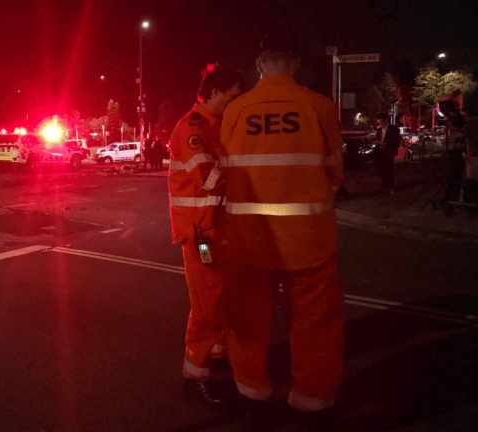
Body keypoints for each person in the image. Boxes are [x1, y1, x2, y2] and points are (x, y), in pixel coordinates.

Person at [219, 34, 345, 430]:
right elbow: (336, 172)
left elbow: (225, 173)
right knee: (314, 322)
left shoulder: (236, 110)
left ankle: (253, 395)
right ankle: (312, 402)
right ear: (295, 64)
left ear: (259, 64)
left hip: (249, 238)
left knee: (250, 319)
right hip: (307, 237)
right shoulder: (320, 107)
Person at [168, 63, 243, 405]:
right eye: (232, 96)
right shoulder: (192, 130)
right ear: (214, 94)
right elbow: (209, 178)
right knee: (206, 305)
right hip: (201, 232)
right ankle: (194, 373)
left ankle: (216, 355)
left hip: (215, 227)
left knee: (221, 300)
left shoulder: (215, 126)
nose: (235, 103)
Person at [375, 113, 401, 194]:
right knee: (381, 169)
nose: (380, 123)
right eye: (379, 121)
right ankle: (384, 186)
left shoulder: (393, 129)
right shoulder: (379, 130)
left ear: (386, 120)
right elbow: (377, 138)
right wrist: (378, 143)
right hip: (380, 151)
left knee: (388, 169)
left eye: (382, 121)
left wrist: (386, 143)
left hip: (389, 151)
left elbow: (397, 141)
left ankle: (390, 186)